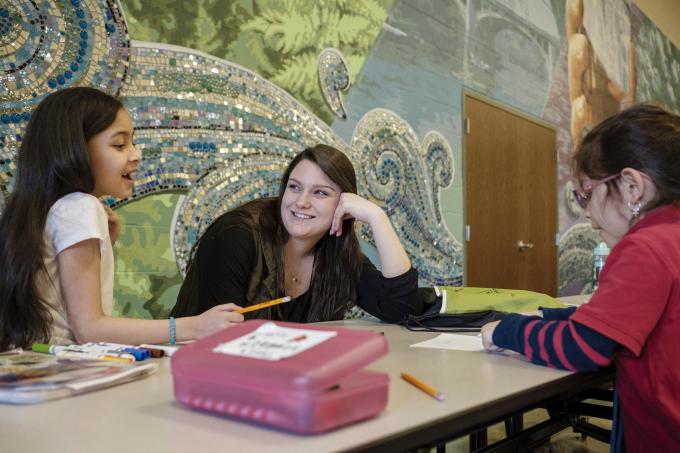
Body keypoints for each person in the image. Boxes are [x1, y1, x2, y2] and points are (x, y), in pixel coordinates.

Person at [480, 104, 680, 450]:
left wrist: (507, 330)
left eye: (587, 193)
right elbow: (627, 317)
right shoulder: (671, 236)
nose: (586, 213)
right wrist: (551, 315)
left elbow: (584, 347)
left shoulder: (644, 247)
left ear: (632, 186)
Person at [0, 87, 243, 351]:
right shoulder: (81, 206)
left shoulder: (46, 209)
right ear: (77, 149)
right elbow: (89, 329)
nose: (136, 154)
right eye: (119, 144)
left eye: (132, 142)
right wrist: (194, 326)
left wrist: (103, 246)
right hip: (63, 372)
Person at [171, 144, 422, 323]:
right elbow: (220, 337)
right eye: (294, 187)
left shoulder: (337, 254)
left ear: (344, 204)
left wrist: (378, 218)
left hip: (281, 383)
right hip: (197, 379)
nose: (301, 202)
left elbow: (404, 310)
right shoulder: (237, 236)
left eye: (320, 193)